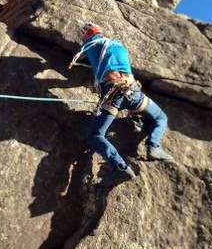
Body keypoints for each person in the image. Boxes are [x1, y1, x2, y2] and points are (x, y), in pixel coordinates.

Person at [70, 23, 175, 182]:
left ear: (87, 35)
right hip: (133, 92)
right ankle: (153, 146)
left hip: (113, 94)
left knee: (95, 135)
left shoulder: (91, 44)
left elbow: (86, 54)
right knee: (160, 117)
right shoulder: (117, 44)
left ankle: (121, 167)